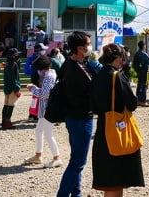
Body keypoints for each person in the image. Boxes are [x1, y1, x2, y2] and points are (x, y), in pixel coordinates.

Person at [91, 43, 144, 195]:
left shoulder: (98, 75)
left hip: (103, 129)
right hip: (118, 131)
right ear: (118, 59)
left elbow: (93, 105)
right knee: (117, 178)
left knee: (109, 180)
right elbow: (132, 104)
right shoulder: (117, 76)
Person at [56, 31, 95, 197]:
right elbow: (94, 87)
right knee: (78, 162)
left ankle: (76, 193)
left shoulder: (67, 64)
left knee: (76, 158)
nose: (90, 48)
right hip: (81, 117)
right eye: (87, 45)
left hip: (71, 116)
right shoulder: (78, 68)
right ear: (80, 48)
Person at [24, 55, 62, 168]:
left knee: (48, 133)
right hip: (45, 109)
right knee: (39, 131)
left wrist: (33, 89)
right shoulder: (51, 74)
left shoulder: (49, 77)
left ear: (43, 68)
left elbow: (44, 95)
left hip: (48, 109)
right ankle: (38, 155)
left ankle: (57, 158)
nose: (38, 72)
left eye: (39, 69)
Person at [1, 48, 22, 130]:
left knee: (6, 105)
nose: (18, 56)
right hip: (13, 88)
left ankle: (4, 121)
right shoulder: (14, 64)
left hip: (7, 87)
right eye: (16, 55)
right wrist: (17, 89)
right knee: (11, 105)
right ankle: (7, 122)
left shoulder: (6, 64)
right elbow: (15, 78)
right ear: (13, 56)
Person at [133, 40, 149, 107]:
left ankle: (138, 100)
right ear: (144, 46)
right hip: (144, 72)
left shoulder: (136, 53)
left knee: (139, 86)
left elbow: (134, 64)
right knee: (144, 86)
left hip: (139, 72)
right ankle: (143, 101)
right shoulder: (144, 54)